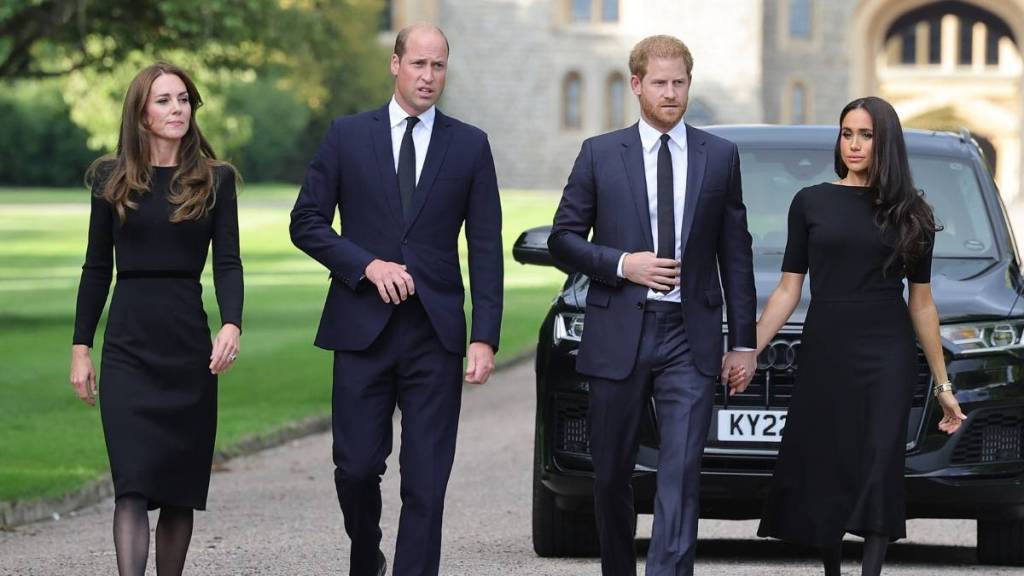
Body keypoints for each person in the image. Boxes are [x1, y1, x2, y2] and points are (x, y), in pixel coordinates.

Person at [289, 23, 503, 576]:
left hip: (435, 335)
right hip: (361, 329)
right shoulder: (346, 135)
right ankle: (367, 552)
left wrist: (484, 335)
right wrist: (365, 265)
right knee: (356, 468)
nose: (429, 77)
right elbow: (306, 222)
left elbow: (484, 246)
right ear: (396, 64)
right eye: (419, 65)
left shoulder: (470, 144)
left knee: (427, 480)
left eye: (438, 67)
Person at [548, 35, 757, 576]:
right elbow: (563, 240)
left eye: (680, 83)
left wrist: (745, 344)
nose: (671, 93)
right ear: (636, 85)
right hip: (619, 330)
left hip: (690, 336)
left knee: (681, 470)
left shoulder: (720, 156)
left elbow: (736, 254)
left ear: (690, 83)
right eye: (660, 83)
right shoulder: (599, 153)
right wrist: (623, 265)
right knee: (611, 472)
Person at [749, 96, 966, 576]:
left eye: (865, 135)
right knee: (828, 460)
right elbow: (788, 289)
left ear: (884, 142)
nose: (854, 144)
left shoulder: (913, 213)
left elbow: (923, 303)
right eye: (847, 133)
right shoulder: (810, 202)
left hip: (886, 351)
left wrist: (943, 386)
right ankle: (832, 571)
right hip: (827, 345)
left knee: (878, 461)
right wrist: (750, 350)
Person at [69, 62, 243, 576]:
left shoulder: (216, 180)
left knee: (178, 488)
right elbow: (97, 266)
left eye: (184, 99)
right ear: (141, 113)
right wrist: (81, 346)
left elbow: (228, 261)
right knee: (133, 484)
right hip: (128, 343)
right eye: (164, 100)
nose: (177, 110)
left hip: (187, 344)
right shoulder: (110, 178)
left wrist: (231, 323)